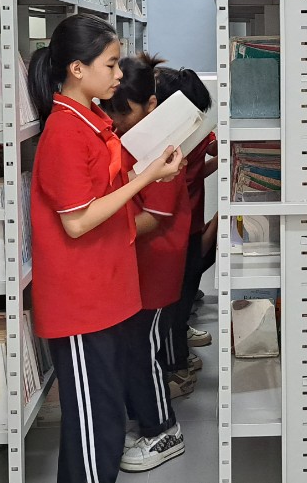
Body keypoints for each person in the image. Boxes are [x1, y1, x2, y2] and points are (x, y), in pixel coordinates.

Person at [27, 14, 184, 483]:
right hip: (81, 302)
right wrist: (148, 177)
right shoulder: (64, 132)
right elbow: (77, 221)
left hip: (106, 291)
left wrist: (151, 171)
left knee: (107, 415)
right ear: (77, 68)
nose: (119, 74)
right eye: (111, 64)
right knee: (93, 423)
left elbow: (103, 194)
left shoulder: (93, 121)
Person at [100, 53, 191, 472]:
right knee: (133, 347)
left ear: (151, 105)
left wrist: (100, 229)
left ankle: (163, 431)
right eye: (111, 111)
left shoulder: (162, 147)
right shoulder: (131, 139)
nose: (116, 121)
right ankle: (147, 420)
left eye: (125, 112)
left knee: (142, 349)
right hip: (135, 263)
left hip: (155, 266)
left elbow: (154, 217)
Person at [154, 65, 217, 371]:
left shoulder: (192, 131)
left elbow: (199, 166)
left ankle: (178, 351)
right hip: (177, 224)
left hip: (188, 220)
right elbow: (192, 174)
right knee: (178, 294)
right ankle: (175, 361)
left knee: (184, 290)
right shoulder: (168, 142)